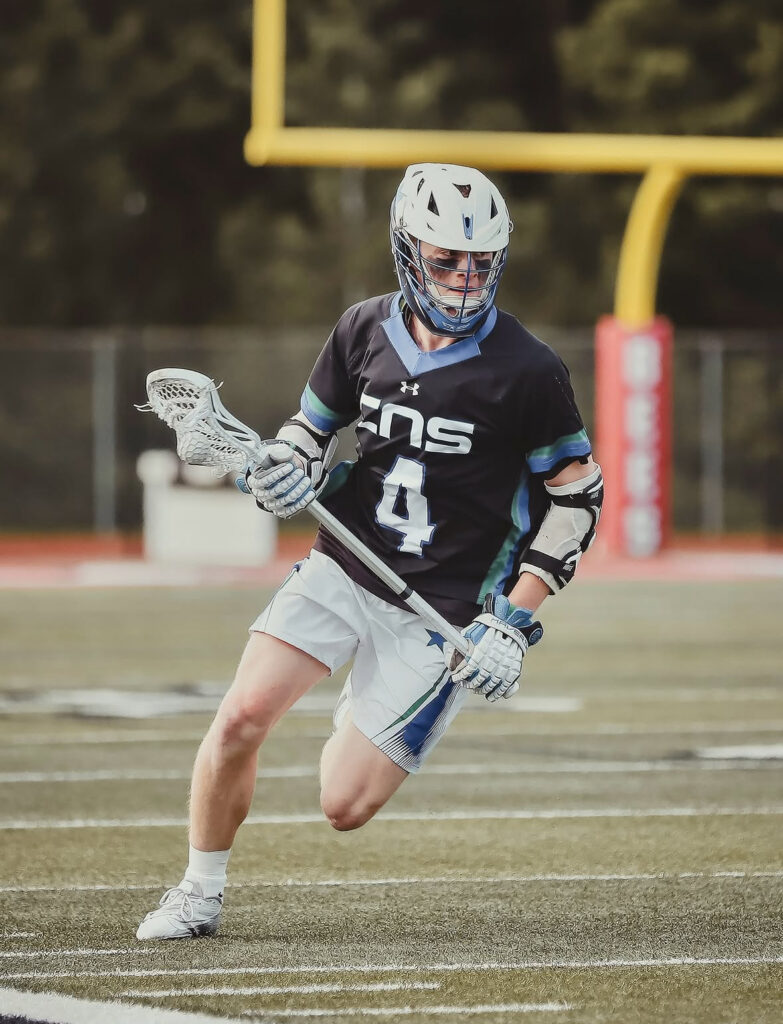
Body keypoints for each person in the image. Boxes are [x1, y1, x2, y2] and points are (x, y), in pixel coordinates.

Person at [136, 163, 603, 940]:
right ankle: (198, 893)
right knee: (241, 717)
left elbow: (575, 497)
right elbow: (309, 431)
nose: (463, 279)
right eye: (446, 260)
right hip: (346, 563)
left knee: (342, 806)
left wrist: (510, 622)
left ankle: (370, 703)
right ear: (405, 251)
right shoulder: (361, 329)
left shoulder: (529, 371)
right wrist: (287, 470)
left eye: (480, 262)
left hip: (446, 611)